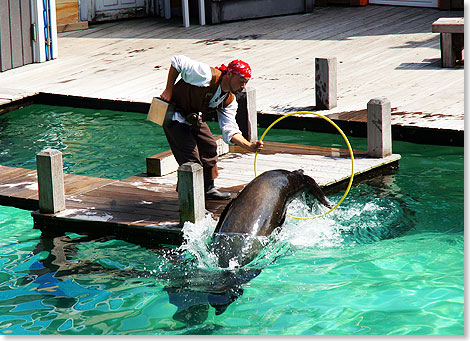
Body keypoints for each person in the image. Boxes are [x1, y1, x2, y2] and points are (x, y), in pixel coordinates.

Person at [160, 55, 264, 200]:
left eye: (246, 83)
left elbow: (229, 129)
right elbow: (177, 62)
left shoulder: (229, 100)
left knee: (209, 146)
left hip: (194, 117)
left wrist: (249, 145)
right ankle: (190, 198)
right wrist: (169, 89)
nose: (243, 86)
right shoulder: (205, 75)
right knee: (191, 160)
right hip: (175, 116)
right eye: (241, 81)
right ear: (229, 74)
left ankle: (208, 189)